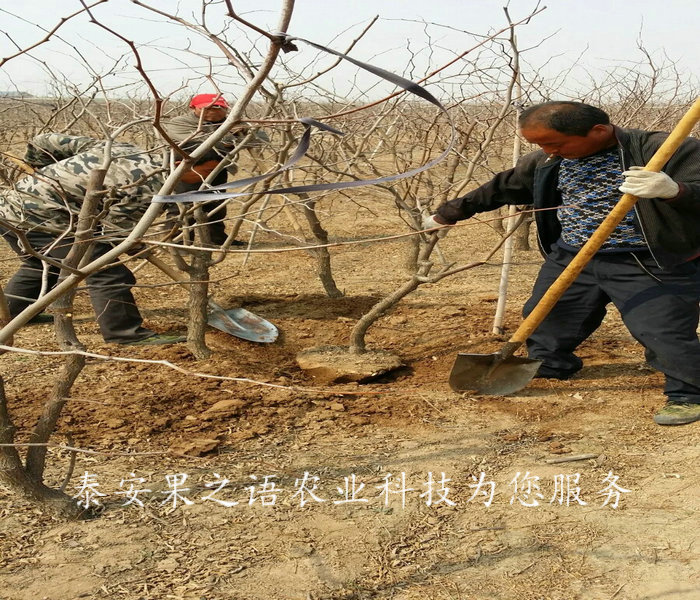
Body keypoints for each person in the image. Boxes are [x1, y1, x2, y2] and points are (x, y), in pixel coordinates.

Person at [424, 101, 700, 426]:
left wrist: (673, 190)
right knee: (548, 318)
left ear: (598, 131)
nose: (548, 151)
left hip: (648, 259)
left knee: (662, 330)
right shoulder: (550, 158)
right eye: (540, 145)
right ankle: (550, 365)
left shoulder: (665, 149)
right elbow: (505, 185)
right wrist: (453, 211)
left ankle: (688, 394)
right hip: (572, 255)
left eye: (554, 143)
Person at [0, 133, 186, 345]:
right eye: (203, 170)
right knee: (106, 271)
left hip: (9, 208)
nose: (203, 178)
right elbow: (114, 232)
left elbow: (42, 140)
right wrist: (134, 245)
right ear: (181, 162)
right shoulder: (150, 185)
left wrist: (40, 170)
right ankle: (124, 334)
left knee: (43, 265)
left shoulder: (124, 147)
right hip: (44, 217)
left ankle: (14, 314)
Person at [163, 93, 267, 246]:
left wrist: (245, 132)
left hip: (217, 168)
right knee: (183, 207)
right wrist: (232, 137)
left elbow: (261, 141)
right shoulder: (181, 123)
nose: (214, 111)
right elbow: (200, 143)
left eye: (219, 107)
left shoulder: (235, 122)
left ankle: (216, 239)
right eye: (208, 108)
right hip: (186, 170)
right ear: (193, 108)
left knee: (216, 205)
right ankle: (178, 242)